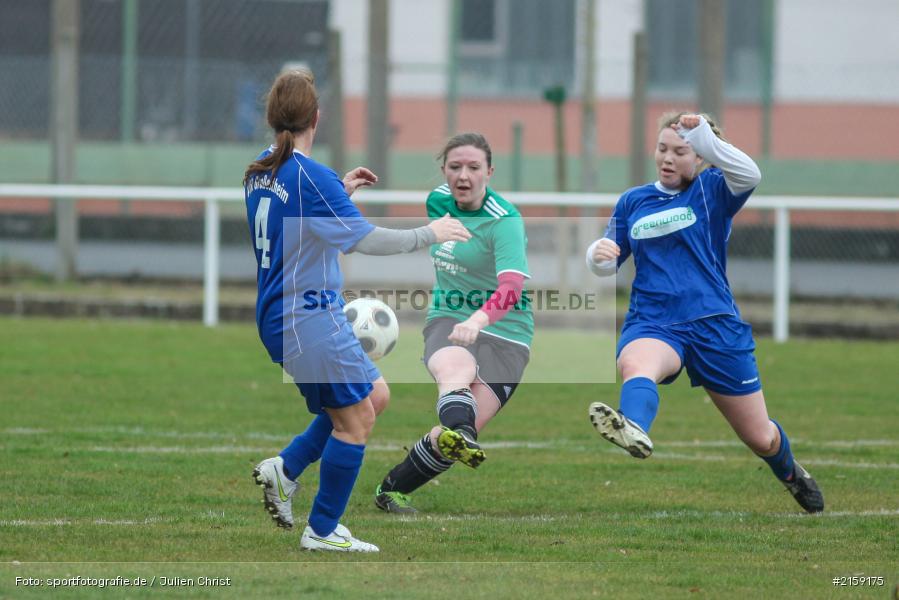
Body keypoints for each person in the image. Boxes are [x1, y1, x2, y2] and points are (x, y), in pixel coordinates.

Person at [244, 69, 471, 552]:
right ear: (317, 117)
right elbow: (366, 239)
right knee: (354, 422)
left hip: (288, 314)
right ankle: (323, 531)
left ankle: (284, 471)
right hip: (306, 318)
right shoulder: (309, 175)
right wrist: (430, 233)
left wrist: (338, 193)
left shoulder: (261, 168)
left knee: (375, 396)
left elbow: (301, 223)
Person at [585, 112, 824, 514]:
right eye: (662, 148)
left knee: (760, 437)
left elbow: (750, 174)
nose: (668, 158)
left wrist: (704, 137)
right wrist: (597, 255)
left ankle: (790, 474)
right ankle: (635, 427)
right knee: (635, 363)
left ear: (700, 157)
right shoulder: (633, 200)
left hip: (714, 326)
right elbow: (608, 257)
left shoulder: (713, 189)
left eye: (681, 151)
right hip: (654, 320)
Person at [373, 132, 533, 514]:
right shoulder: (438, 201)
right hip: (446, 317)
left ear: (489, 172)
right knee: (454, 370)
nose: (463, 175)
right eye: (454, 167)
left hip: (508, 334)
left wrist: (478, 320)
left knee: (459, 427)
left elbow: (512, 287)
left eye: (473, 167)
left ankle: (391, 489)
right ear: (444, 171)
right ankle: (460, 433)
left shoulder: (505, 221)